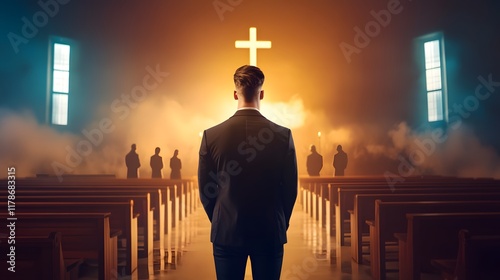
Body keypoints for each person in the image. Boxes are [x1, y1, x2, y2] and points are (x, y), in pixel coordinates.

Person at [198, 65, 298, 280]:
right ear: (262, 93)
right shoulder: (283, 136)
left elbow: (206, 191)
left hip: (227, 233)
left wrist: (221, 220)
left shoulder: (211, 136)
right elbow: (290, 190)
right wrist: (280, 222)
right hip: (269, 231)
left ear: (235, 94)